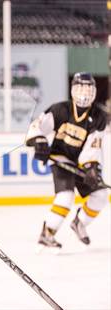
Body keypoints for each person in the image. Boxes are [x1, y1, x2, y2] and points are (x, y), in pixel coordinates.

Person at [26, 72, 108, 250]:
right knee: (65, 196)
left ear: (94, 91)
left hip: (81, 165)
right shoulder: (60, 109)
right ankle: (47, 233)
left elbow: (94, 146)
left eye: (88, 88)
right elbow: (37, 126)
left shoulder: (99, 117)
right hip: (61, 159)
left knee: (100, 196)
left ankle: (80, 223)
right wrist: (39, 140)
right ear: (72, 90)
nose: (84, 93)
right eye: (80, 88)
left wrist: (91, 168)